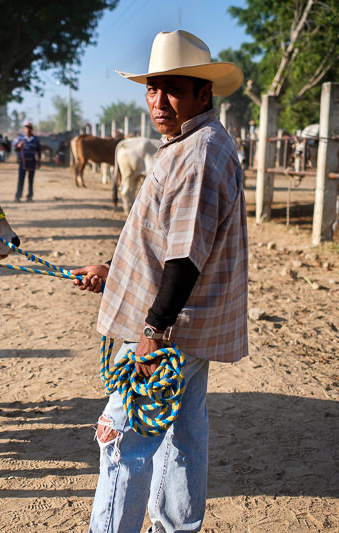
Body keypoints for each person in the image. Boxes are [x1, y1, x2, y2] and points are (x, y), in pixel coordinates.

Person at [71, 30, 248, 533]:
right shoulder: (194, 144)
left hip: (169, 329)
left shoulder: (197, 155)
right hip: (185, 329)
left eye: (172, 89)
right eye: (152, 88)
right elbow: (164, 238)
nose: (159, 100)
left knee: (121, 440)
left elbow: (186, 258)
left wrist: (153, 330)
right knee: (181, 438)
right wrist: (114, 269)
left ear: (203, 94)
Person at [12, 122, 41, 201]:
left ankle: (30, 196)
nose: (28, 129)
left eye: (29, 128)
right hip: (23, 162)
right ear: (24, 129)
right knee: (21, 179)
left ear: (31, 129)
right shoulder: (20, 138)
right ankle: (18, 196)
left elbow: (39, 151)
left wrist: (39, 161)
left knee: (31, 180)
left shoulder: (35, 139)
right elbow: (14, 148)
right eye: (26, 127)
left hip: (32, 161)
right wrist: (18, 146)